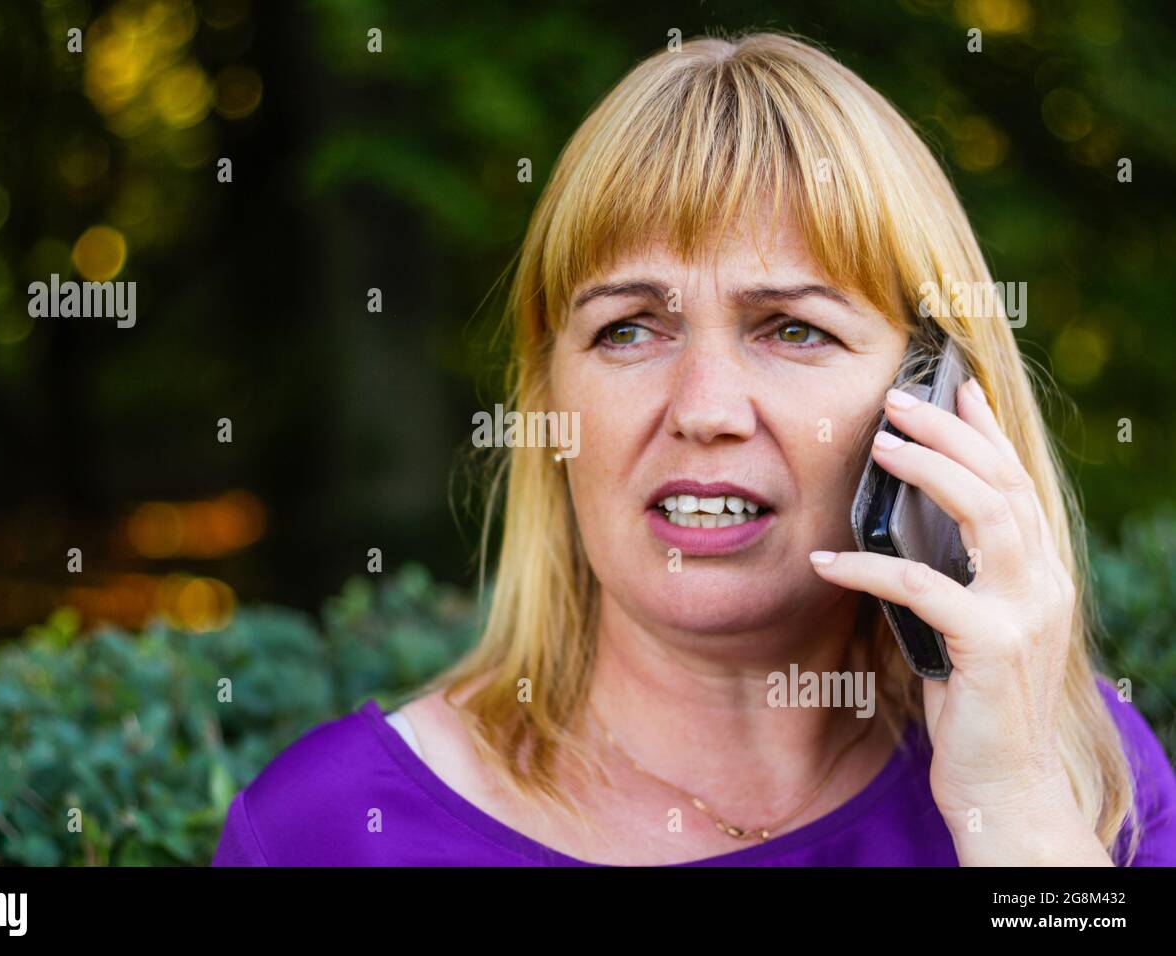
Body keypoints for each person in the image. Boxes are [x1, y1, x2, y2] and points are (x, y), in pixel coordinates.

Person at [213, 31, 1176, 866]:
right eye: (629, 329)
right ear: (552, 399)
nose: (705, 410)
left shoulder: (1080, 774)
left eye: (793, 328)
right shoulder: (324, 833)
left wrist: (1012, 816)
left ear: (934, 400)